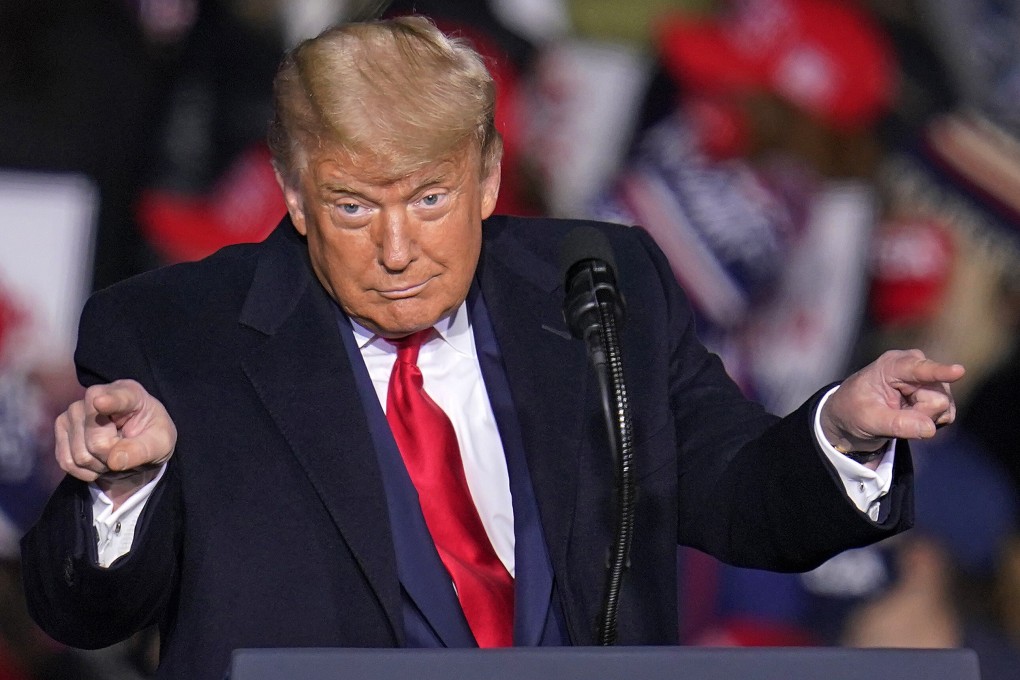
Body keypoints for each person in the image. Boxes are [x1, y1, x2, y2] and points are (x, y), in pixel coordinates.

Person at [21, 16, 964, 680]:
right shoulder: (175, 333)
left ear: (487, 177)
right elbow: (80, 612)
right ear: (295, 192)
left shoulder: (600, 287)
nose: (397, 251)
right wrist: (120, 488)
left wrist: (840, 430)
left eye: (429, 199)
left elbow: (743, 493)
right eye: (353, 207)